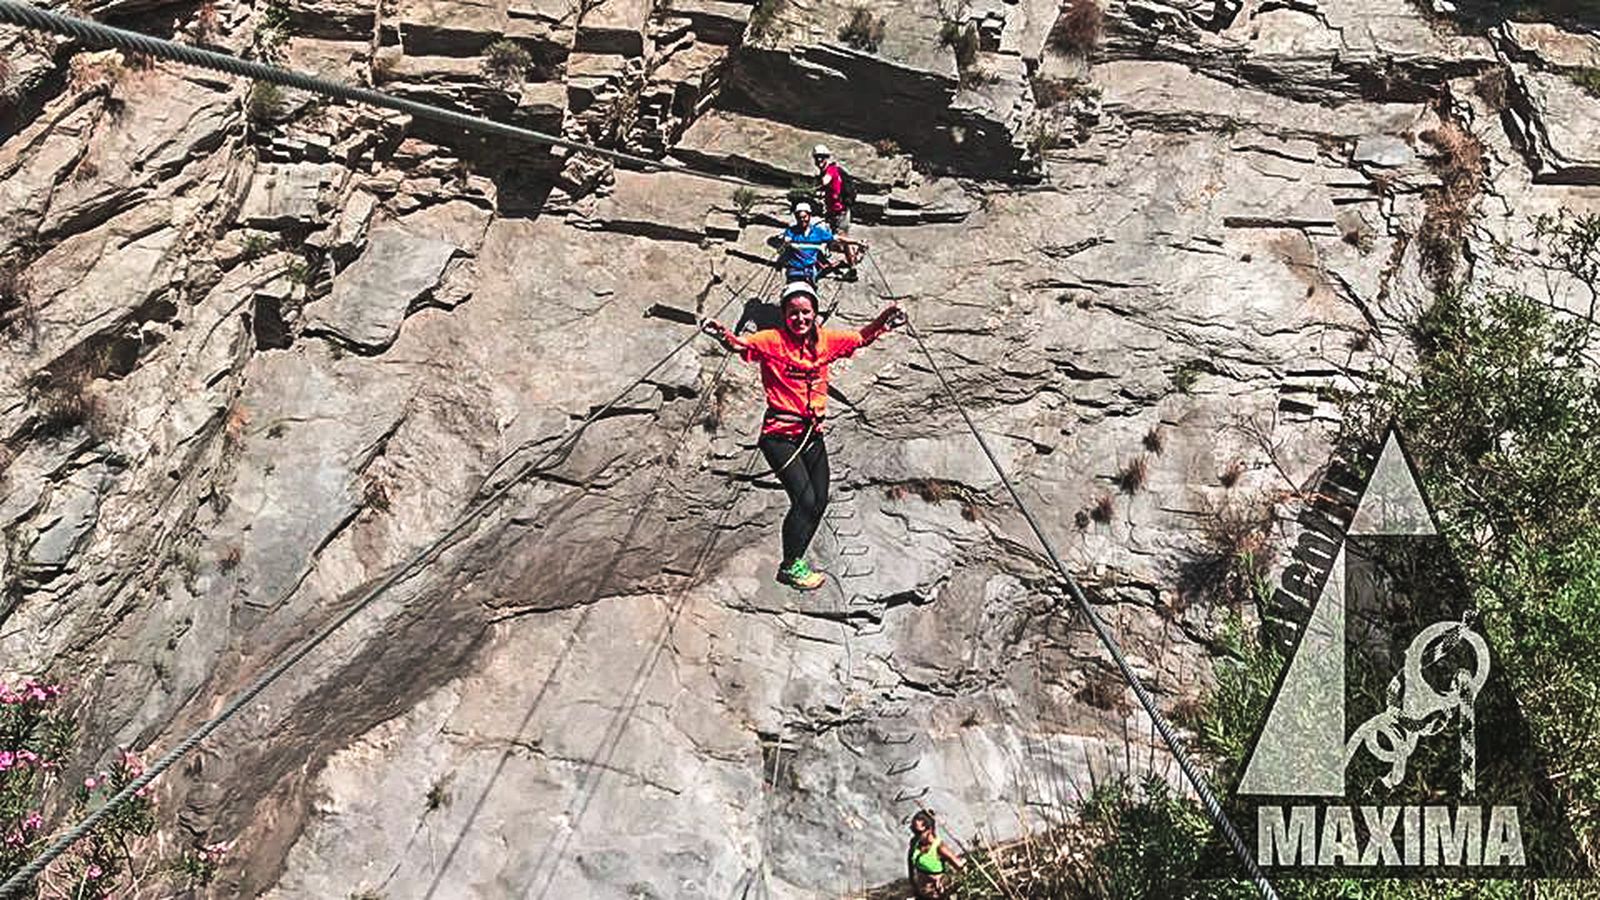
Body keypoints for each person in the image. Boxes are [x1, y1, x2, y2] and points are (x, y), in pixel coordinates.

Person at [702, 281, 904, 590]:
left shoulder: (826, 341)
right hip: (779, 436)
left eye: (805, 312)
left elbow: (861, 338)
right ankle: (790, 565)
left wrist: (884, 319)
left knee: (819, 500)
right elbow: (741, 345)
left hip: (811, 433)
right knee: (805, 499)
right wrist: (722, 334)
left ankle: (795, 562)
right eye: (793, 313)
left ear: (815, 313)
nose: (800, 319)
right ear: (784, 315)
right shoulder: (771, 340)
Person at [814, 144, 860, 277]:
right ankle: (853, 253)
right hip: (835, 211)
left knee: (842, 240)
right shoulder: (829, 170)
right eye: (817, 158)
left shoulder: (831, 170)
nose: (819, 161)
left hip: (840, 212)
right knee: (840, 239)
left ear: (827, 158)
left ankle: (852, 269)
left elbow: (826, 180)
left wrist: (819, 185)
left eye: (822, 158)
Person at [773, 201, 834, 285]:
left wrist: (855, 242)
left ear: (809, 216)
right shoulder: (791, 231)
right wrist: (785, 241)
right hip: (793, 269)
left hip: (810, 269)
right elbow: (784, 243)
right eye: (799, 217)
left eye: (804, 217)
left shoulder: (818, 232)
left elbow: (836, 238)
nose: (802, 220)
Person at [907, 810, 963, 899]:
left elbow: (960, 866)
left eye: (918, 832)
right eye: (912, 829)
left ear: (929, 829)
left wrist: (944, 880)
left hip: (936, 895)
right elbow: (910, 861)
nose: (915, 834)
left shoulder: (940, 847)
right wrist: (912, 882)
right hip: (920, 893)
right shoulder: (915, 842)